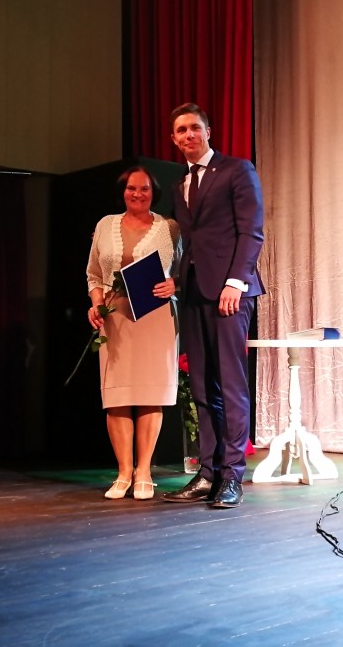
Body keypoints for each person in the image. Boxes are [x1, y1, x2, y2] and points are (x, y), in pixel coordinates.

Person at [160, 103, 264, 509]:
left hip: (230, 293)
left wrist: (236, 281)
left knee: (231, 385)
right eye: (181, 130)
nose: (188, 135)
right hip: (194, 293)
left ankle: (233, 474)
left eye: (194, 128)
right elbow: (193, 243)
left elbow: (251, 232)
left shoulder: (237, 170)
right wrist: (178, 280)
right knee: (203, 386)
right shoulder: (180, 184)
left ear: (208, 132)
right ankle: (208, 473)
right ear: (174, 139)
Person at [86, 167, 181, 500]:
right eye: (131, 188)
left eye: (144, 188)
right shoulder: (105, 225)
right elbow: (94, 274)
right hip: (115, 318)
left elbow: (186, 271)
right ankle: (124, 472)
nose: (137, 194)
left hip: (155, 316)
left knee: (150, 394)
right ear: (122, 191)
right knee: (118, 397)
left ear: (154, 192)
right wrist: (96, 304)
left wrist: (175, 284)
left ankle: (144, 472)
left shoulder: (170, 227)